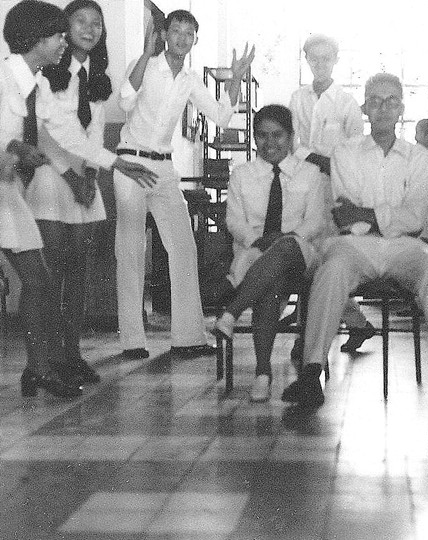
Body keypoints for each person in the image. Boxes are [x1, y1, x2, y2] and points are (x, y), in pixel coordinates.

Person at [281, 73, 428, 411]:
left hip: (405, 246)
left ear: (401, 108)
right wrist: (382, 216)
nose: (383, 108)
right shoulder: (345, 152)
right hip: (353, 246)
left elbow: (414, 219)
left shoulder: (419, 158)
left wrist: (366, 213)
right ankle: (311, 373)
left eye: (391, 101)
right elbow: (347, 218)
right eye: (375, 101)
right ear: (365, 108)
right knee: (332, 270)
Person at [0, 0, 154, 398]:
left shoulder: (35, 85)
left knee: (38, 280)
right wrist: (13, 149)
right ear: (35, 38)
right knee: (41, 279)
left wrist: (116, 163)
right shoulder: (4, 76)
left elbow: (66, 132)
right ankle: (42, 367)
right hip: (8, 189)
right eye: (57, 35)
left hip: (7, 194)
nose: (63, 41)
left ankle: (40, 369)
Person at [114, 10, 253, 360]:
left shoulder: (190, 79)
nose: (181, 38)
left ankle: (188, 338)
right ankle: (132, 341)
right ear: (164, 35)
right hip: (130, 162)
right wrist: (145, 54)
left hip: (164, 168)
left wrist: (236, 79)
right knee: (131, 249)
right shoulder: (145, 65)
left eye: (188, 33)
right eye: (175, 30)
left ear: (195, 40)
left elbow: (221, 116)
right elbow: (125, 100)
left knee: (183, 248)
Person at [24, 0, 115, 386]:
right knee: (51, 272)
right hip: (51, 177)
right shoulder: (47, 71)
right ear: (65, 27)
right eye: (81, 21)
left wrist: (90, 174)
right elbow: (47, 131)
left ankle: (71, 354)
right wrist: (71, 178)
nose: (89, 29)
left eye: (97, 24)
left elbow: (95, 132)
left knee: (79, 272)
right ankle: (45, 360)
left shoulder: (97, 77)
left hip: (84, 179)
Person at [211, 105, 326, 402]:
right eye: (262, 135)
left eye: (277, 135)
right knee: (271, 281)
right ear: (254, 138)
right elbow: (234, 220)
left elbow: (315, 221)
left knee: (285, 246)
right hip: (255, 257)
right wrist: (259, 242)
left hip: (301, 256)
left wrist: (280, 240)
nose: (269, 142)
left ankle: (232, 312)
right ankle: (263, 373)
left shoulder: (310, 173)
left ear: (291, 137)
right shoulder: (241, 175)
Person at [288, 33, 375, 355]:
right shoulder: (298, 98)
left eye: (326, 58)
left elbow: (357, 146)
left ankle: (309, 337)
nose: (320, 64)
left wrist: (333, 164)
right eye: (314, 58)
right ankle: (355, 323)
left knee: (326, 260)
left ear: (336, 61)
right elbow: (293, 142)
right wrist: (314, 158)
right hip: (301, 185)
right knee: (304, 257)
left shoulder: (346, 102)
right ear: (307, 61)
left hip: (334, 189)